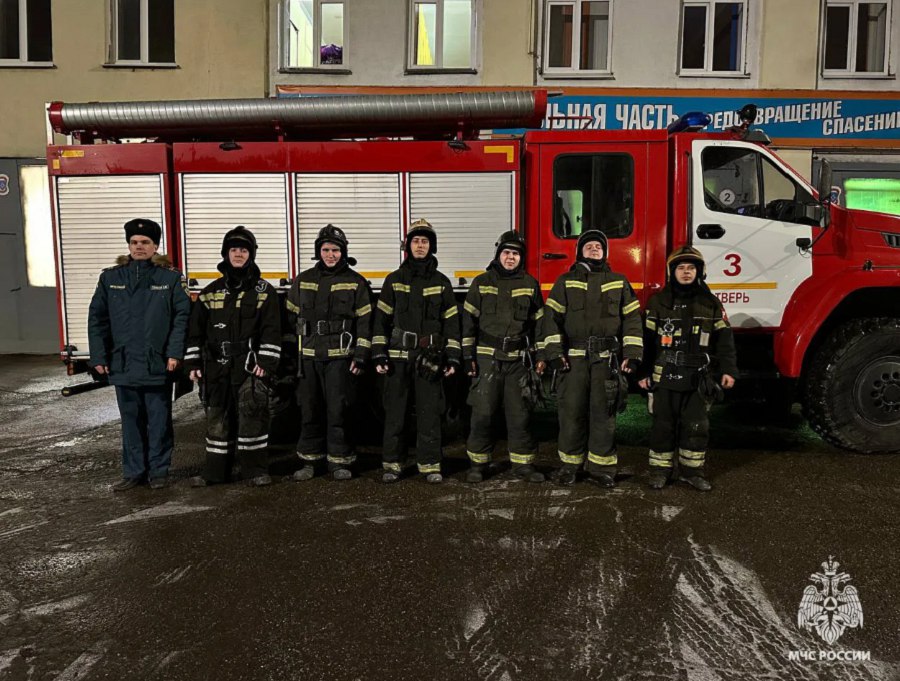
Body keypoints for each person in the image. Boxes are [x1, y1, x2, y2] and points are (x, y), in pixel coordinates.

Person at [88, 218, 191, 491]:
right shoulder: (111, 278)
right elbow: (97, 320)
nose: (139, 247)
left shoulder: (170, 279)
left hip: (156, 362)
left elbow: (182, 318)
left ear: (155, 246)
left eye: (145, 242)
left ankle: (159, 471)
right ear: (129, 245)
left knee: (159, 420)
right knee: (130, 422)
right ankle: (134, 472)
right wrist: (98, 357)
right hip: (123, 363)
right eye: (134, 242)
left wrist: (174, 353)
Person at [540, 230, 643, 487]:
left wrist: (632, 354)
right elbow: (550, 320)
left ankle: (601, 469)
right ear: (579, 252)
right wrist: (554, 354)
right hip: (573, 360)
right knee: (571, 413)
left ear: (605, 252)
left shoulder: (619, 281)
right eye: (589, 246)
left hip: (606, 360)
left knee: (603, 415)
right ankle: (570, 466)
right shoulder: (565, 281)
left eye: (599, 246)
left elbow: (632, 320)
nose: (594, 249)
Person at [184, 226, 281, 488]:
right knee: (217, 419)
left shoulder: (264, 291)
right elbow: (195, 331)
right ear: (226, 253)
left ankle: (255, 471)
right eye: (234, 249)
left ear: (251, 255)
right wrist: (193, 362)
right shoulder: (210, 292)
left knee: (253, 416)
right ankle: (215, 473)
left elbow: (272, 330)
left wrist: (266, 362)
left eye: (244, 250)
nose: (238, 254)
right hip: (216, 367)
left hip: (249, 367)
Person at [637, 246, 737, 491]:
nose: (686, 272)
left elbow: (724, 340)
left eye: (691, 268)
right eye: (680, 268)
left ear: (699, 272)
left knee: (696, 426)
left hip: (698, 379)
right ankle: (660, 472)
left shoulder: (710, 303)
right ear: (672, 272)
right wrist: (642, 373)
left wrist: (728, 370)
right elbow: (646, 341)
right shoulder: (658, 302)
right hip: (665, 376)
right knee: (663, 427)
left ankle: (692, 472)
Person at [372, 220, 461, 484]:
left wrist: (452, 357)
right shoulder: (394, 280)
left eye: (425, 241)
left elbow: (451, 324)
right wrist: (379, 353)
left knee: (429, 414)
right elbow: (381, 321)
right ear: (407, 246)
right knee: (395, 414)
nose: (420, 246)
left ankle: (430, 465)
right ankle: (393, 465)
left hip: (429, 359)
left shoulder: (442, 283)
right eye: (415, 241)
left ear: (431, 246)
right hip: (398, 359)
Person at [286, 224, 372, 481]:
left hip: (340, 359)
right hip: (309, 358)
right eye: (325, 250)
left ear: (343, 252)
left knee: (339, 411)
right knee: (309, 410)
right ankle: (309, 462)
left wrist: (360, 355)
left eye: (335, 250)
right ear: (318, 251)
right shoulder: (303, 280)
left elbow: (365, 323)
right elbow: (290, 316)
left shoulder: (356, 282)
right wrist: (295, 351)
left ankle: (340, 462)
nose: (330, 255)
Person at [462, 231, 546, 483]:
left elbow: (539, 325)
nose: (511, 257)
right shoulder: (481, 282)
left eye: (516, 254)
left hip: (519, 360)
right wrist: (467, 356)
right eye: (507, 253)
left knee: (520, 414)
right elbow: (468, 323)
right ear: (498, 255)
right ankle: (478, 464)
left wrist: (541, 355)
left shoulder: (530, 284)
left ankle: (523, 464)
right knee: (483, 413)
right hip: (487, 358)